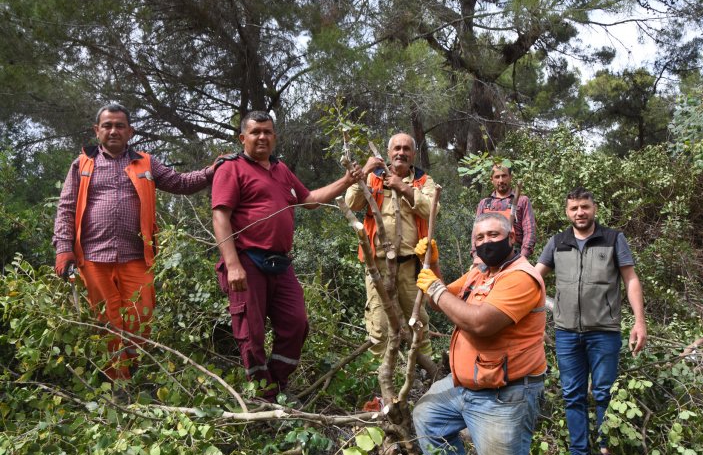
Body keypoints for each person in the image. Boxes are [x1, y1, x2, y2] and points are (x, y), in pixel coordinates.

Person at [53, 103, 226, 382]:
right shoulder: (82, 164)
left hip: (137, 256)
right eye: (107, 125)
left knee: (140, 318)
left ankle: (133, 373)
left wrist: (210, 172)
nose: (113, 131)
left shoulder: (145, 162)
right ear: (96, 131)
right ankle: (117, 384)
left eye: (120, 125)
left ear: (130, 131)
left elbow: (179, 183)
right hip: (93, 258)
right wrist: (63, 249)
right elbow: (66, 207)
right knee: (107, 322)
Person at [211, 111, 362, 402]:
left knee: (296, 323)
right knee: (251, 334)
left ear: (274, 136)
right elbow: (220, 218)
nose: (262, 137)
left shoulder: (281, 170)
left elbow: (310, 201)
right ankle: (261, 396)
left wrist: (346, 181)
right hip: (246, 262)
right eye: (255, 132)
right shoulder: (231, 169)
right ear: (243, 138)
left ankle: (277, 386)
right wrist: (232, 265)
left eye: (267, 132)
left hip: (280, 264)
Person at [413, 212, 547, 455]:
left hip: (504, 395)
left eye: (493, 235)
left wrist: (435, 288)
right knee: (428, 417)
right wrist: (433, 265)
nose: (486, 242)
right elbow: (442, 301)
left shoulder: (521, 277)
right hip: (464, 385)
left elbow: (480, 323)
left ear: (511, 238)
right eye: (480, 237)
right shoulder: (481, 271)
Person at [534, 187, 648, 455]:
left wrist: (639, 322)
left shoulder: (612, 239)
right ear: (566, 212)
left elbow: (631, 279)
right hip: (567, 333)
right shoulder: (558, 242)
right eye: (574, 208)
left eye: (584, 207)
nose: (580, 213)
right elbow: (534, 277)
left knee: (604, 394)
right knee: (572, 395)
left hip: (604, 332)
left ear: (594, 208)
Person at [344, 133, 438, 360]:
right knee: (379, 324)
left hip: (410, 267)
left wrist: (403, 188)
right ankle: (380, 379)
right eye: (397, 148)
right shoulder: (372, 177)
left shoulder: (424, 181)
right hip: (378, 265)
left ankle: (427, 372)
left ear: (413, 154)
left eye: (406, 149)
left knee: (419, 322)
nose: (401, 153)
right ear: (388, 153)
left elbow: (432, 210)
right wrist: (363, 172)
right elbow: (350, 203)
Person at [473, 163, 536, 259]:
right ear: (492, 179)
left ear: (510, 177)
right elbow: (475, 233)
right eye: (497, 177)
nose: (501, 180)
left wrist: (522, 257)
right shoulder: (484, 203)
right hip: (487, 257)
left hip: (514, 255)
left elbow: (529, 232)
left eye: (504, 176)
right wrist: (476, 257)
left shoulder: (522, 201)